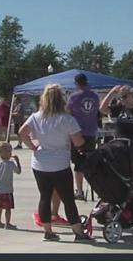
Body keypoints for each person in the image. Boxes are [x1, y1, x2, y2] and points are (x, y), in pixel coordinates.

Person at [18, 84, 91, 242]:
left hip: (40, 163)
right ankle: (78, 231)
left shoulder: (36, 117)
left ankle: (48, 231)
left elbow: (22, 132)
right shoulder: (67, 119)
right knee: (68, 199)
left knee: (44, 197)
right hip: (60, 164)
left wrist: (32, 146)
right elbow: (78, 141)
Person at [100, 85, 133, 199]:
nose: (122, 100)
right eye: (120, 97)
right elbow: (102, 109)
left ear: (132, 96)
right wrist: (112, 93)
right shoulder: (120, 109)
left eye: (125, 97)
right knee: (122, 180)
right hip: (120, 149)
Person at [66, 72, 99, 201]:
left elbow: (68, 114)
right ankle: (98, 188)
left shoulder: (74, 97)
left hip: (77, 133)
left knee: (78, 164)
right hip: (91, 132)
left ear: (76, 83)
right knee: (90, 161)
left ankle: (79, 191)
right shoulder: (95, 96)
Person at [0, 142, 21, 229]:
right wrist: (17, 161)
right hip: (7, 190)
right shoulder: (10, 164)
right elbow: (18, 171)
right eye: (9, 151)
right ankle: (7, 223)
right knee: (8, 208)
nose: (11, 153)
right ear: (3, 153)